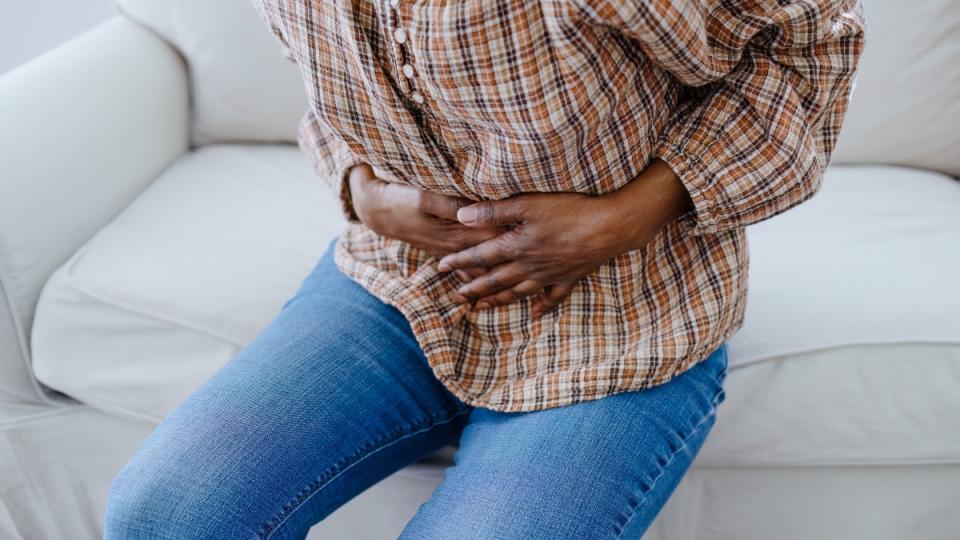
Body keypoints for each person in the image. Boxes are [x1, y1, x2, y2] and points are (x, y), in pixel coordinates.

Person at [104, 0, 865, 538]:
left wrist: (635, 210)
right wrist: (360, 187)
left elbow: (809, 42)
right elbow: (323, 82)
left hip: (627, 323)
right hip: (397, 287)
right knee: (165, 517)